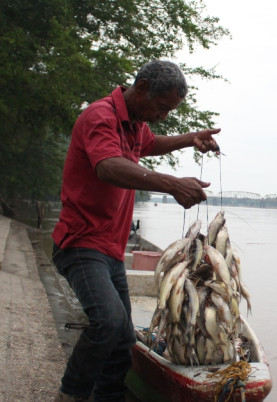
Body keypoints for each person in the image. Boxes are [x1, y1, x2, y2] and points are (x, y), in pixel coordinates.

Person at [51, 60, 220, 402]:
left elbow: (151, 144)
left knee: (124, 339)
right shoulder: (100, 117)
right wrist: (172, 185)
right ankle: (71, 394)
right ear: (141, 88)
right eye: (162, 107)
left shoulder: (135, 124)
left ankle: (109, 396)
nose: (163, 115)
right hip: (81, 243)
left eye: (169, 110)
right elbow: (109, 167)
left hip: (111, 249)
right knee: (109, 323)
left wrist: (190, 139)